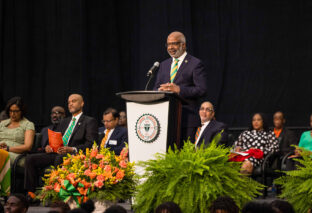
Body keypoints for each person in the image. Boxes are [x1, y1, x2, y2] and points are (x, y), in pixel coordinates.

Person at [24, 94, 98, 201]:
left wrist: (71, 149)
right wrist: (49, 147)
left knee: (60, 158)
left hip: (73, 155)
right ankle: (31, 194)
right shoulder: (64, 121)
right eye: (69, 102)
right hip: (56, 152)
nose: (70, 104)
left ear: (82, 103)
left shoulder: (89, 121)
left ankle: (55, 194)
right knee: (30, 159)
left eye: (74, 101)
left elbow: (91, 144)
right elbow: (57, 138)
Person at [153, 31, 208, 145]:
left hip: (187, 120)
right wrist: (159, 91)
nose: (170, 47)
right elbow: (155, 88)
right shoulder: (164, 65)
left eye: (174, 44)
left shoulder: (195, 63)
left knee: (185, 157)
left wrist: (179, 90)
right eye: (168, 44)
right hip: (166, 119)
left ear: (183, 45)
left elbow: (202, 89)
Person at [0, 97, 35, 196]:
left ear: (22, 111)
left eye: (15, 111)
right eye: (10, 111)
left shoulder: (28, 124)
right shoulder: (2, 124)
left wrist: (8, 149)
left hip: (18, 156)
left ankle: (3, 192)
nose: (12, 114)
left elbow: (28, 147)